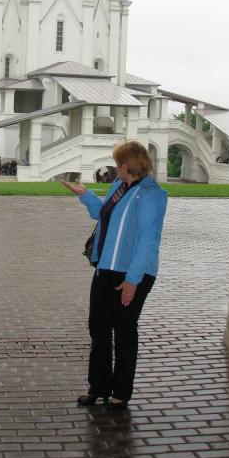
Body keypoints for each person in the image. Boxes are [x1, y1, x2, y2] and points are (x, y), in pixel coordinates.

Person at [61, 140, 167, 411]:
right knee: (98, 329)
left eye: (117, 163)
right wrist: (85, 195)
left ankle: (120, 392)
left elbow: (148, 240)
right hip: (105, 268)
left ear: (125, 165)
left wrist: (133, 279)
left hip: (132, 273)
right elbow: (102, 215)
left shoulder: (151, 194)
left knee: (124, 332)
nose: (115, 167)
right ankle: (98, 387)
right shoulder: (117, 188)